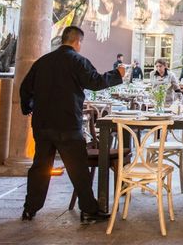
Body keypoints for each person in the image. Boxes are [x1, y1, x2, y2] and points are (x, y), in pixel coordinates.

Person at [20, 26, 125, 223]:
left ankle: (29, 209)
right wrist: (117, 74)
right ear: (77, 42)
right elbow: (95, 82)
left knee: (40, 167)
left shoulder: (42, 62)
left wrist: (29, 108)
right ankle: (88, 210)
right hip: (68, 123)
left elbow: (25, 88)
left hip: (42, 124)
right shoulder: (77, 60)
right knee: (78, 169)